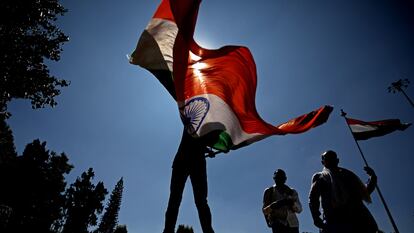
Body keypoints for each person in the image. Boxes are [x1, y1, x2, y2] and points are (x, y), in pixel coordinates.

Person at [308, 150, 379, 233]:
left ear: (337, 160)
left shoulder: (348, 175)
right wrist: (316, 217)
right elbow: (313, 198)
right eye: (327, 158)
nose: (330, 160)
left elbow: (363, 192)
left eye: (332, 158)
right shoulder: (319, 177)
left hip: (358, 217)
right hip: (334, 220)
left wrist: (372, 178)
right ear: (322, 162)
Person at [162, 130, 215, 233]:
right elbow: (196, 137)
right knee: (178, 199)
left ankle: (168, 230)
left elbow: (201, 141)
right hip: (186, 161)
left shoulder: (204, 124)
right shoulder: (193, 119)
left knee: (180, 199)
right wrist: (208, 150)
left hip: (190, 162)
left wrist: (209, 150)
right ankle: (168, 230)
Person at [263, 169, 302, 233]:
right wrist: (276, 204)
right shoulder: (269, 191)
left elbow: (299, 209)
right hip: (277, 225)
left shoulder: (292, 191)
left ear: (285, 179)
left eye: (281, 178)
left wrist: (292, 203)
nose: (279, 180)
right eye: (277, 178)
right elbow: (265, 211)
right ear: (274, 178)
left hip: (293, 224)